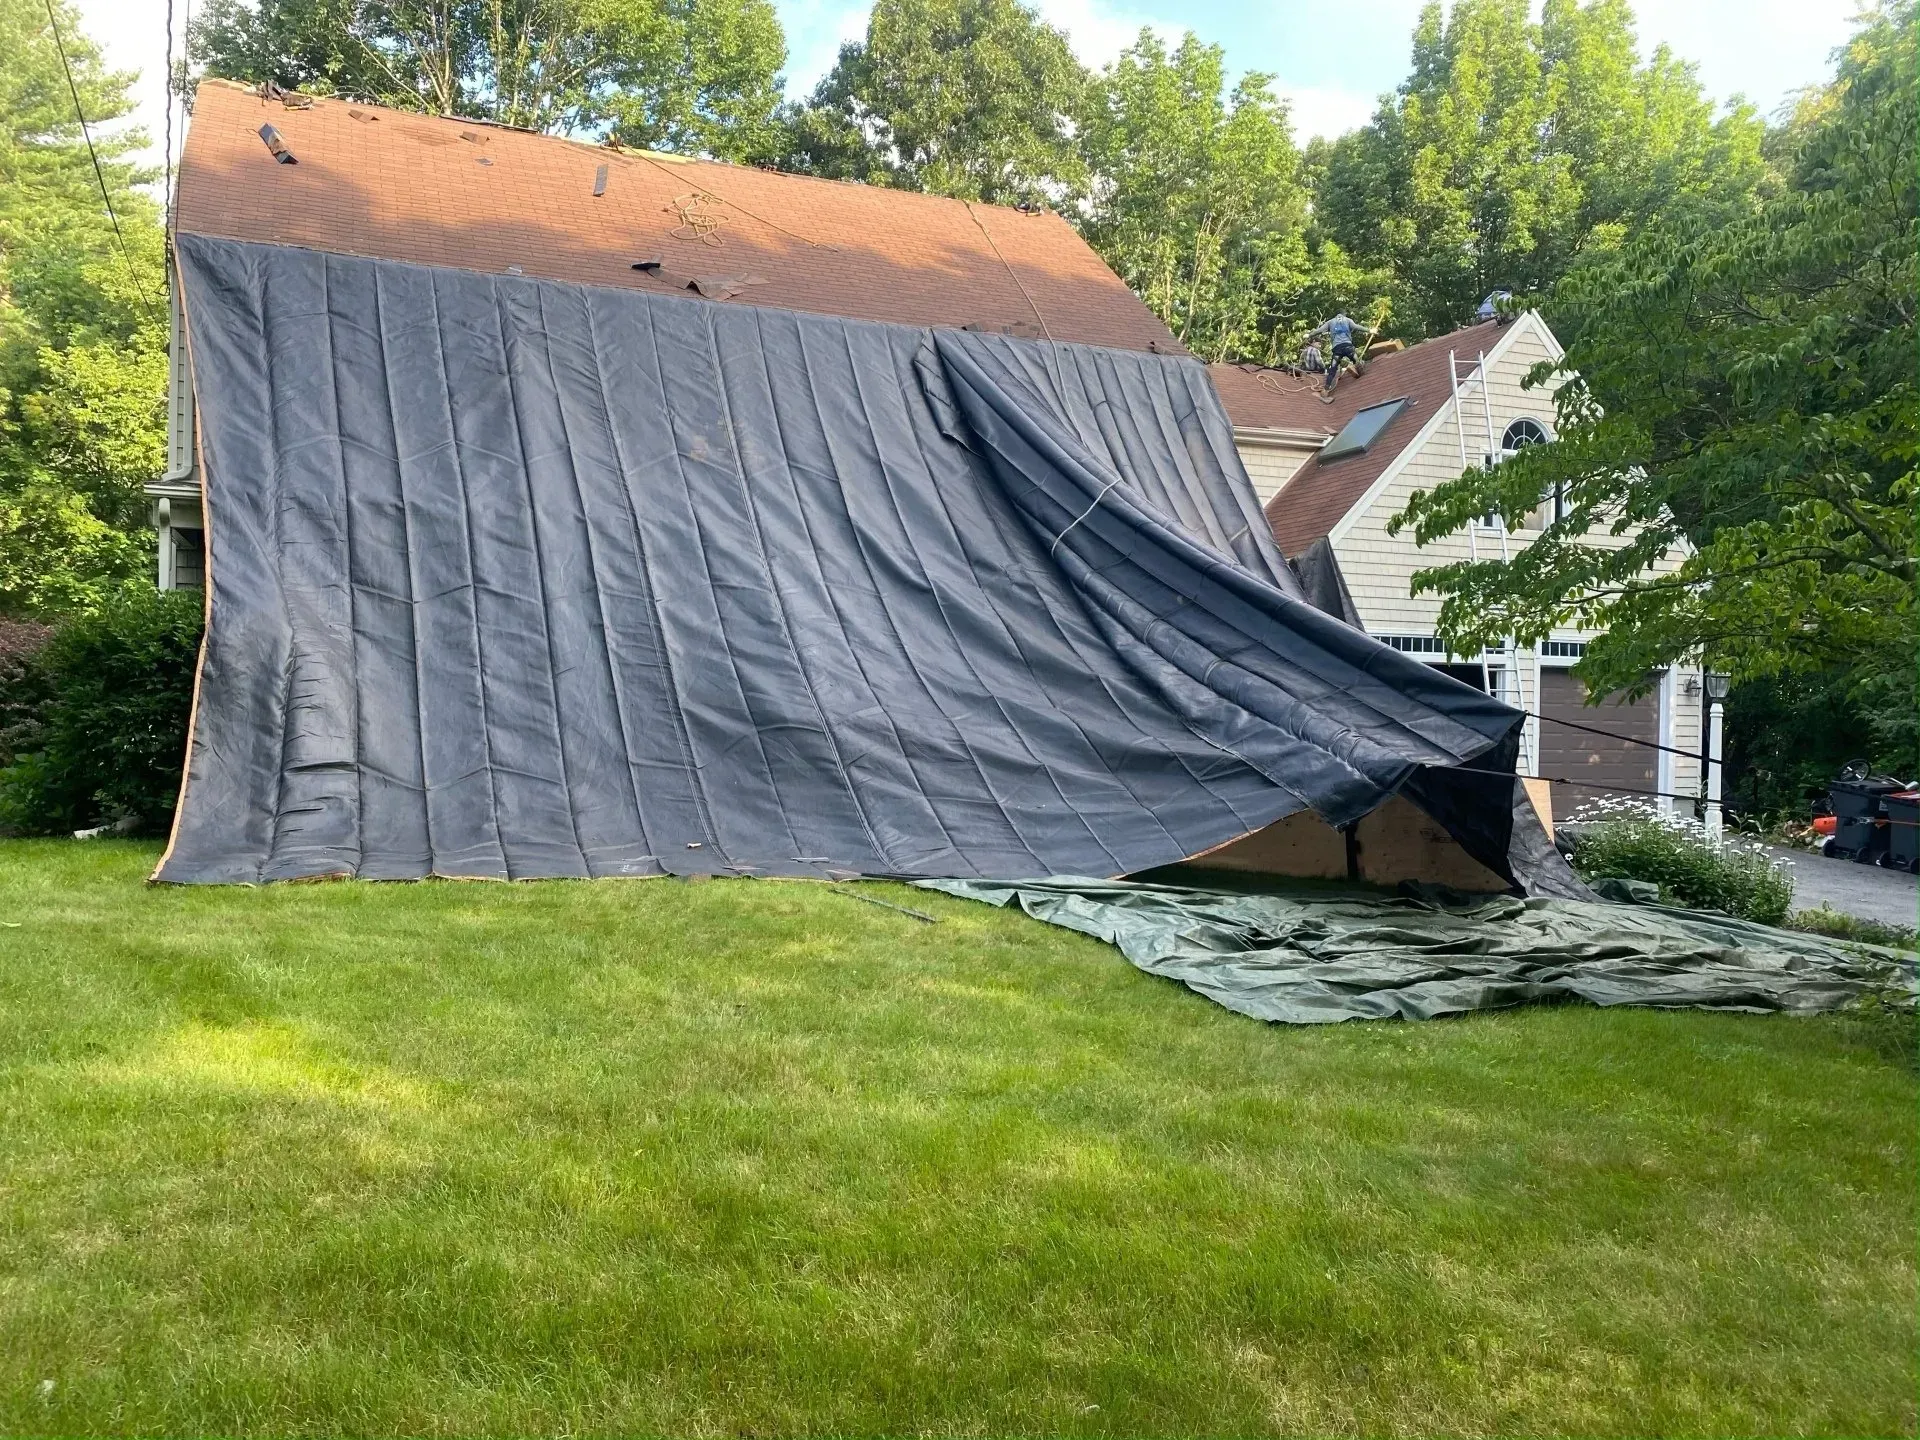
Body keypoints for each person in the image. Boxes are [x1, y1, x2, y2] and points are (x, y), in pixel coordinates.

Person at [1308, 312, 1371, 398]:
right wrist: (1370, 330)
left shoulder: (1330, 322)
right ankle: (1362, 374)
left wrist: (1309, 335)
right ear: (1343, 315)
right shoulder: (1348, 320)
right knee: (1356, 360)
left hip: (1337, 349)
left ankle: (1326, 389)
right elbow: (1357, 327)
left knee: (1333, 369)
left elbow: (1319, 330)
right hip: (1348, 346)